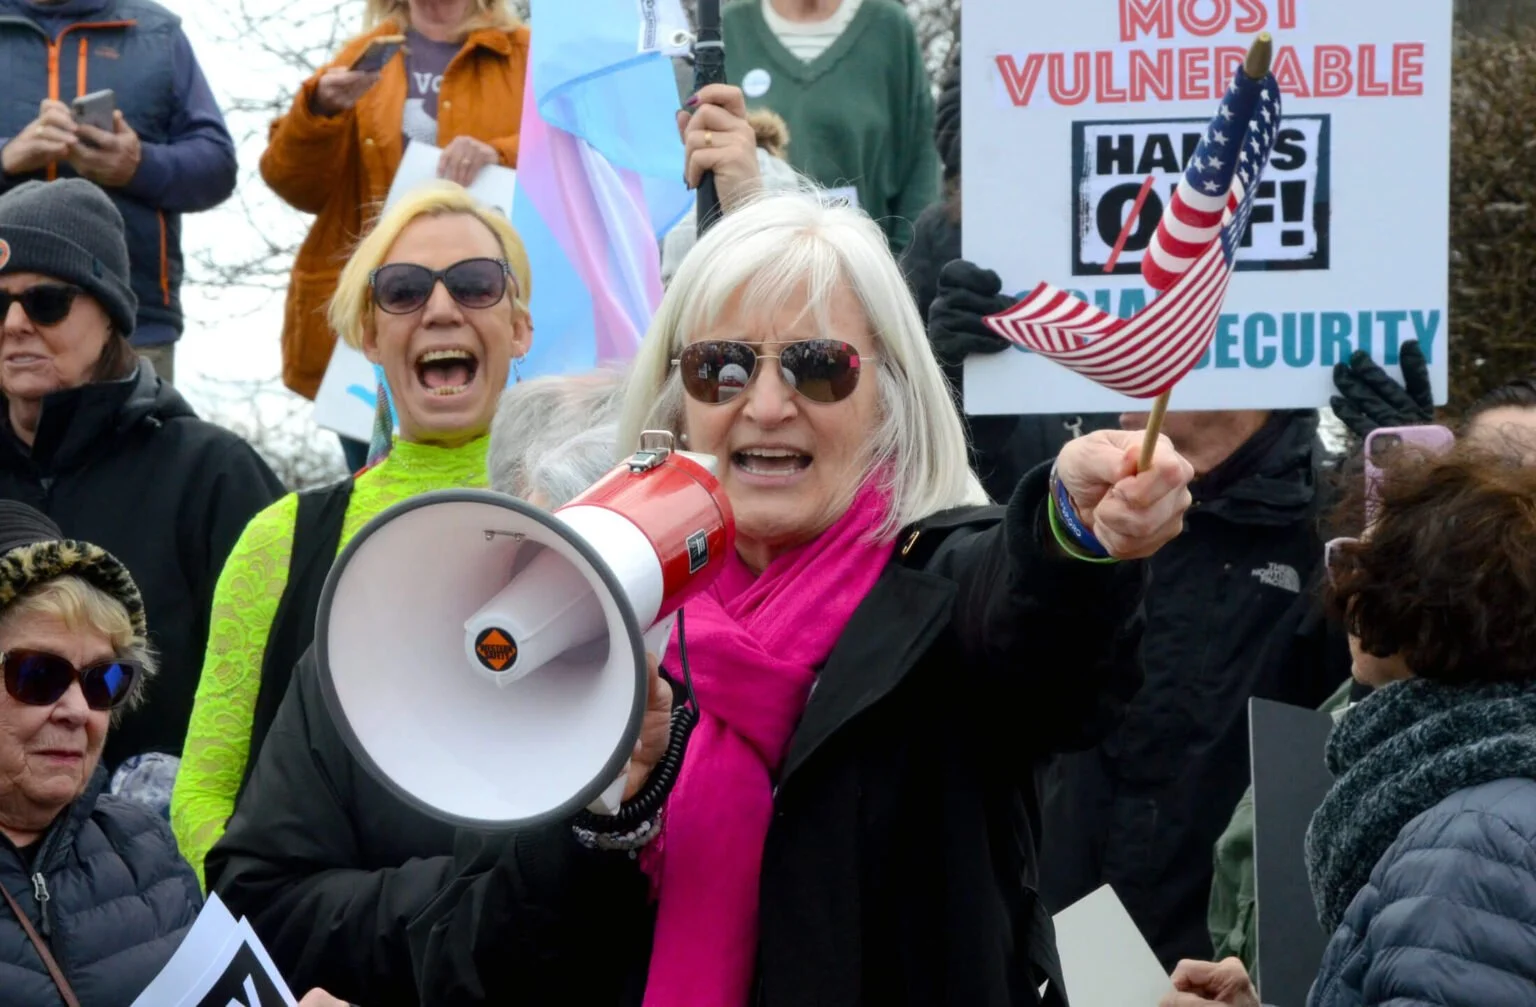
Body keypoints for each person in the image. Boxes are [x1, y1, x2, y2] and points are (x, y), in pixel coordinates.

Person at [403, 190, 1196, 1006]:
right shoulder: (596, 615)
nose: (770, 403)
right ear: (677, 399)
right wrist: (606, 808)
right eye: (722, 367)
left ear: (888, 395)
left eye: (818, 367)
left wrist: (1066, 529)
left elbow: (1046, 651)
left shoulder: (945, 588)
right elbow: (485, 966)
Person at [199, 369, 629, 1007]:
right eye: (543, 547)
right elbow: (260, 903)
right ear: (500, 508)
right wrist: (478, 894)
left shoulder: (706, 680)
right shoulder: (360, 659)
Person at [172, 182, 533, 887]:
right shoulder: (282, 537)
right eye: (402, 290)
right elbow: (203, 795)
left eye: (475, 284)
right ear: (369, 334)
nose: (439, 308)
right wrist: (273, 943)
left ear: (518, 325)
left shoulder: (587, 518)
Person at [1162, 446, 1536, 1007]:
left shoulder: (1471, 843)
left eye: (1364, 561)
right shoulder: (1480, 798)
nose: (1343, 585)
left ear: (1430, 600)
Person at [1037, 405, 1348, 969]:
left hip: (1230, 967)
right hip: (1062, 943)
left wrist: (1397, 522)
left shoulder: (1333, 526)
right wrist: (962, 406)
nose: (1126, 350)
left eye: (1156, 322)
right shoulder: (1076, 497)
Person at [0, 179, 282, 775]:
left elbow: (283, 687)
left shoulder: (214, 475)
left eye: (45, 300)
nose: (15, 323)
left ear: (111, 314)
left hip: (169, 841)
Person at [260, 0, 530, 469]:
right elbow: (292, 182)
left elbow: (578, 158)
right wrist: (319, 110)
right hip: (385, 322)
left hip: (491, 307)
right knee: (377, 487)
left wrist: (499, 153)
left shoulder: (524, 55)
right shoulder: (363, 56)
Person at [0, 0, 238, 384]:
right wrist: (7, 157)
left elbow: (218, 168)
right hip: (4, 323)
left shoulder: (158, 33)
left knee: (136, 445)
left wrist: (140, 165)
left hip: (133, 324)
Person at [724, 0, 939, 254]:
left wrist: (903, 272)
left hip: (869, 275)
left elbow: (921, 166)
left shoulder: (889, 27)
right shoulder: (728, 29)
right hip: (756, 273)